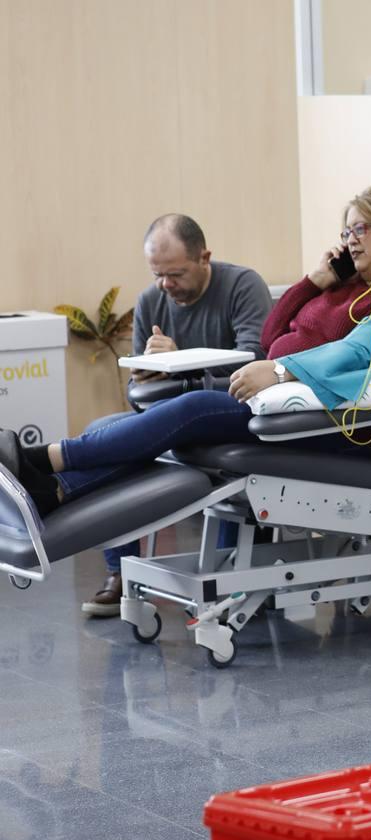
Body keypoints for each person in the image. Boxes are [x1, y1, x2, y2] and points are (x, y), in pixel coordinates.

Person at [0, 185, 371, 533]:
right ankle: (53, 491)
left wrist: (281, 369)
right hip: (284, 407)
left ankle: (43, 458)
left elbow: (362, 352)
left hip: (330, 423)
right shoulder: (344, 289)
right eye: (346, 232)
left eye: (360, 229)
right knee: (178, 414)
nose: (350, 241)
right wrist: (315, 280)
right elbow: (272, 335)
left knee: (192, 408)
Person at [83, 214, 273, 617]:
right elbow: (139, 395)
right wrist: (146, 375)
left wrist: (183, 364)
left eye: (176, 274)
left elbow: (258, 362)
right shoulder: (152, 300)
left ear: (205, 258)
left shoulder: (242, 286)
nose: (167, 285)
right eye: (158, 275)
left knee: (228, 477)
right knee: (99, 433)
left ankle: (230, 576)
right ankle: (120, 574)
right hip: (169, 416)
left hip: (230, 416)